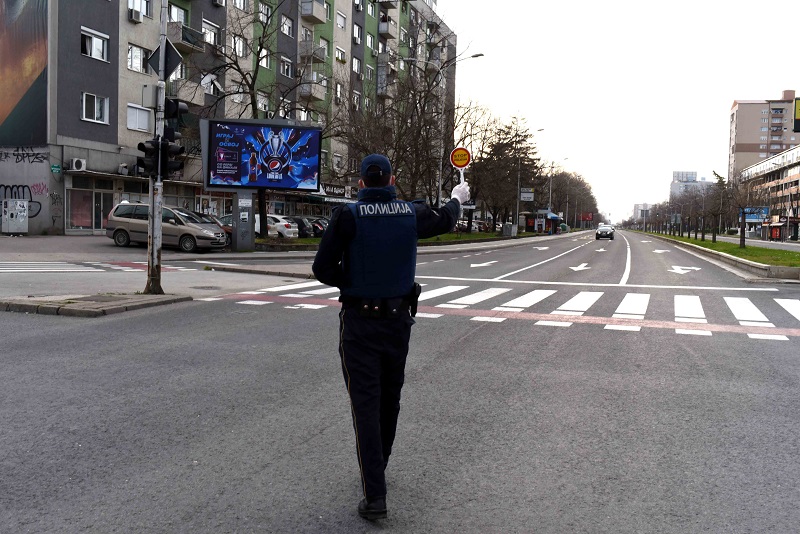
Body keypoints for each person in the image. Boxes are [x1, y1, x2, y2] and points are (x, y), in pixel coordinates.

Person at [312, 154, 470, 520]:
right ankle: (378, 467)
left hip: (359, 324)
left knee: (364, 406)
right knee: (389, 399)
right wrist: (457, 197)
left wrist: (352, 281)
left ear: (362, 184)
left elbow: (321, 268)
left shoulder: (347, 217)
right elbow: (445, 219)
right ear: (392, 179)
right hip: (398, 323)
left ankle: (375, 495)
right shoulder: (410, 214)